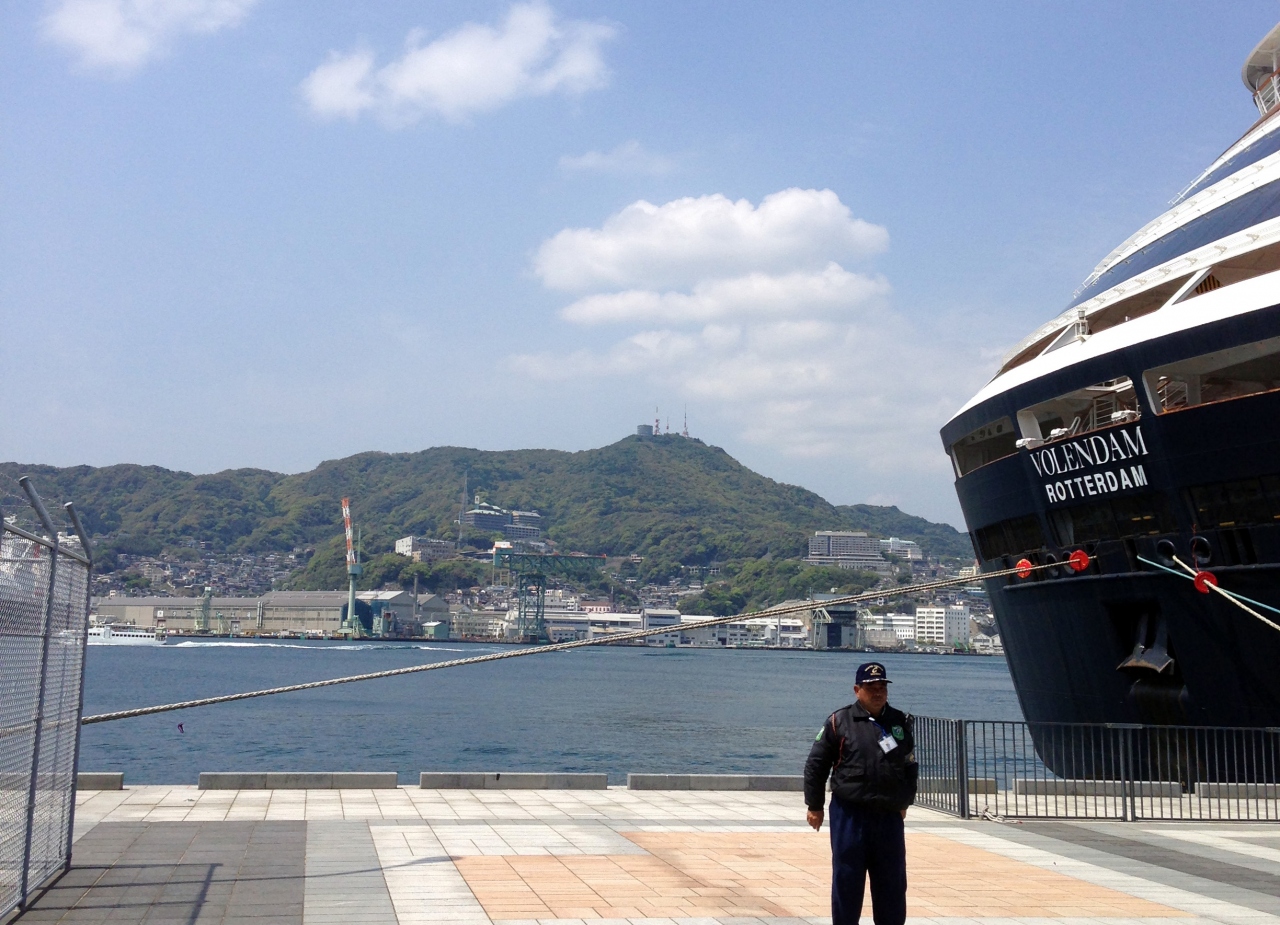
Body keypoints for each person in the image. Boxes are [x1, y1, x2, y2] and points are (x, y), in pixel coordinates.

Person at [804, 661, 917, 925]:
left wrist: (905, 802)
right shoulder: (839, 721)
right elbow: (816, 765)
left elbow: (909, 765)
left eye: (882, 687)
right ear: (857, 690)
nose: (878, 692)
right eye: (871, 687)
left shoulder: (899, 722)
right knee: (847, 879)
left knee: (892, 883)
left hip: (888, 817)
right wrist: (815, 805)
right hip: (850, 815)